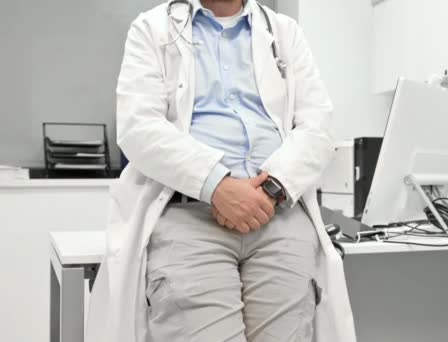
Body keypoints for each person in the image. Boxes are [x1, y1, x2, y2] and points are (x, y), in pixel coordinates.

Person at [84, 1, 356, 341]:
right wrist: (218, 186)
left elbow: (318, 128)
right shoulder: (152, 29)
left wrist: (270, 190)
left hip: (277, 215)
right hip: (189, 215)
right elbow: (138, 127)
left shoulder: (284, 33)